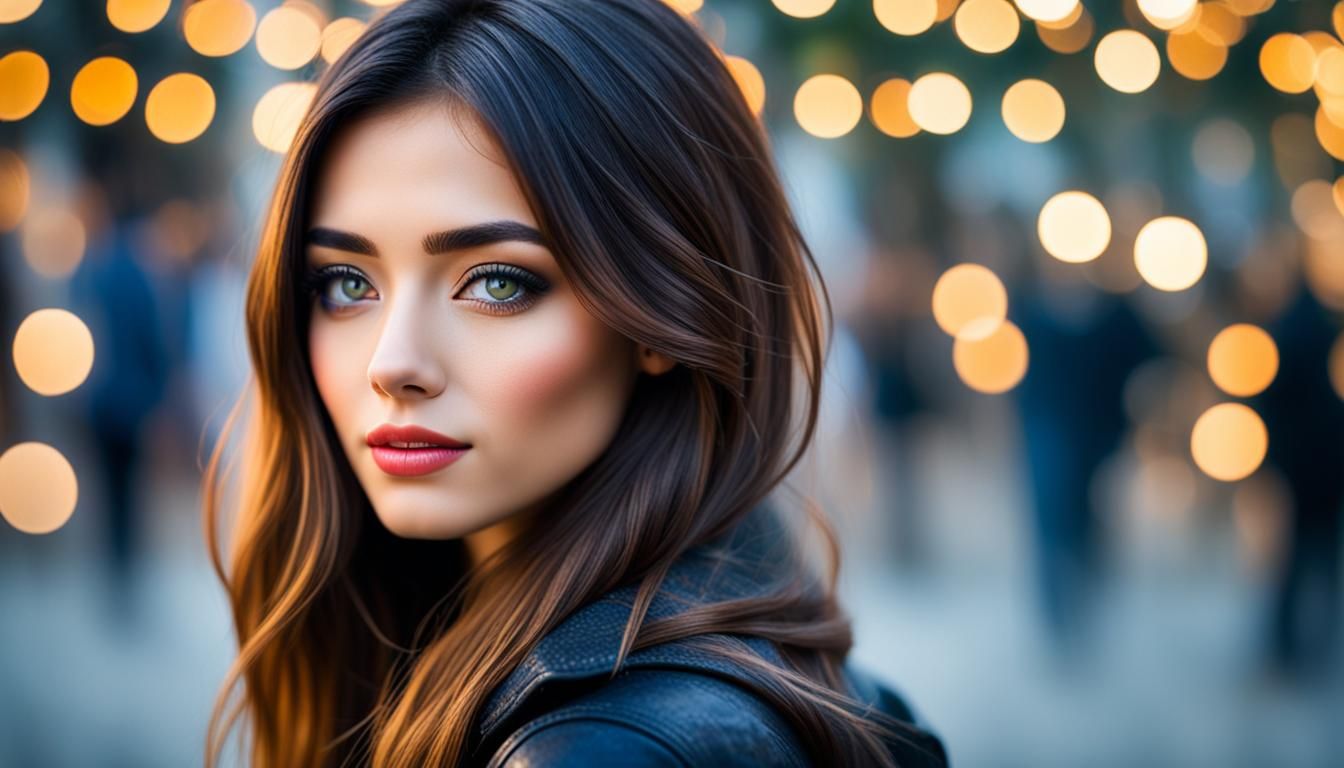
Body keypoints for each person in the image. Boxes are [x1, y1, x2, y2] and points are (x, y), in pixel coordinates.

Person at [202, 1, 947, 765]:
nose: (391, 363)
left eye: (495, 283)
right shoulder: (728, 618)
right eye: (347, 283)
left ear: (665, 312)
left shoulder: (601, 749)